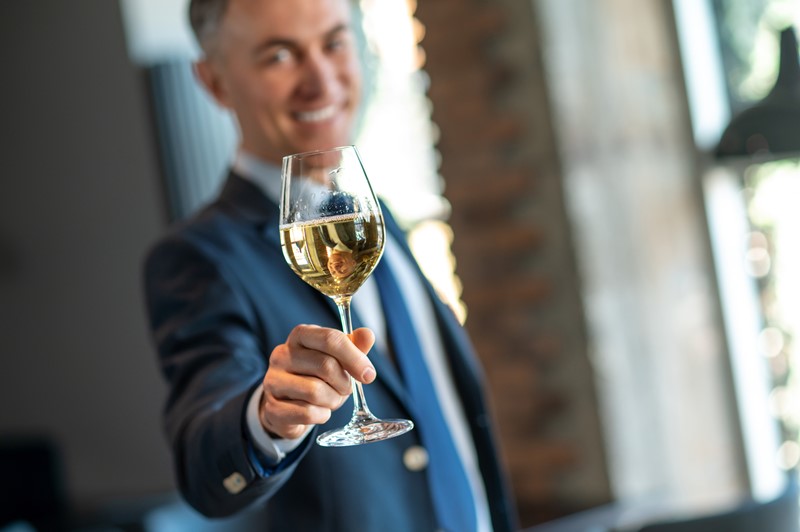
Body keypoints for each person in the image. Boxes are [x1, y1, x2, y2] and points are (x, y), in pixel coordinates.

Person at [142, 0, 517, 530]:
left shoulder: (372, 215)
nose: (320, 80)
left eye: (335, 43)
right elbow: (206, 472)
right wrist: (267, 418)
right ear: (214, 81)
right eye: (279, 55)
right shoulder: (198, 258)